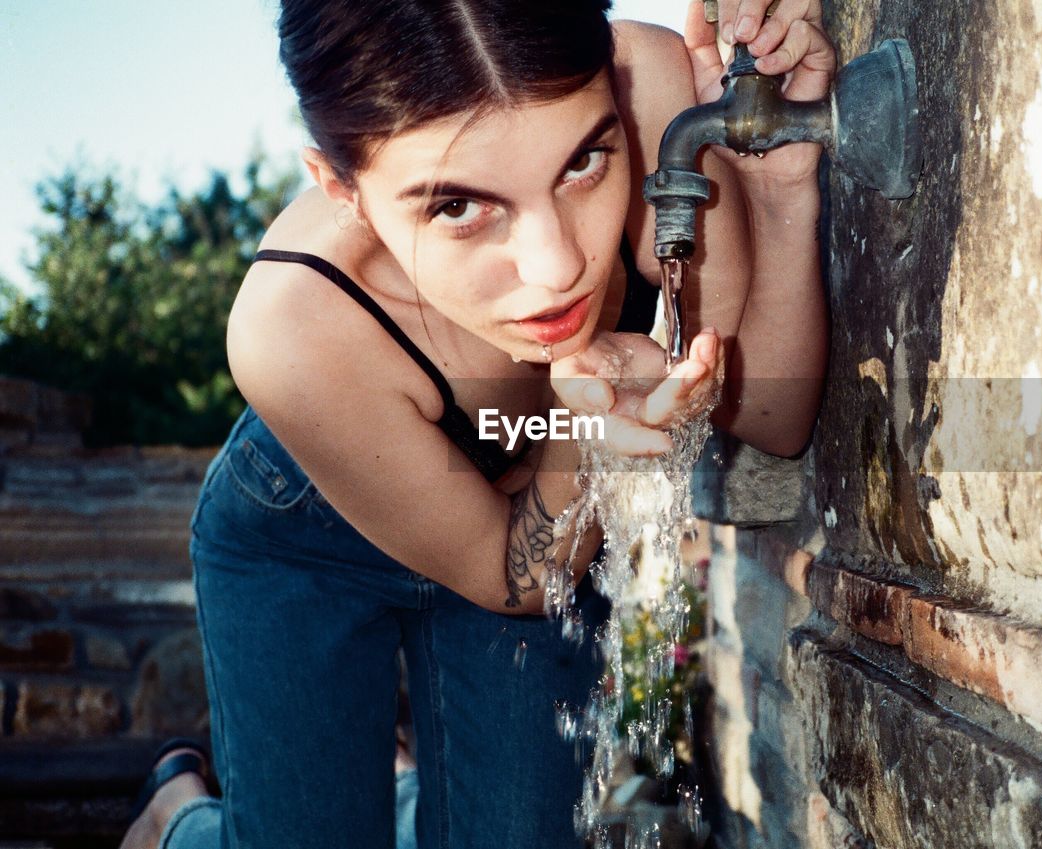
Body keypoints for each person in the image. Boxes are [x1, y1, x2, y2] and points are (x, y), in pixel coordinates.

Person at [120, 0, 832, 847]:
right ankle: (180, 818)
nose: (559, 264)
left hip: (527, 520)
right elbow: (510, 574)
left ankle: (402, 783)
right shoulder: (289, 330)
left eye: (585, 162)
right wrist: (578, 442)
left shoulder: (649, 87)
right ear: (341, 187)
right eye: (457, 206)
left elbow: (773, 415)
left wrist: (779, 186)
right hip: (304, 536)